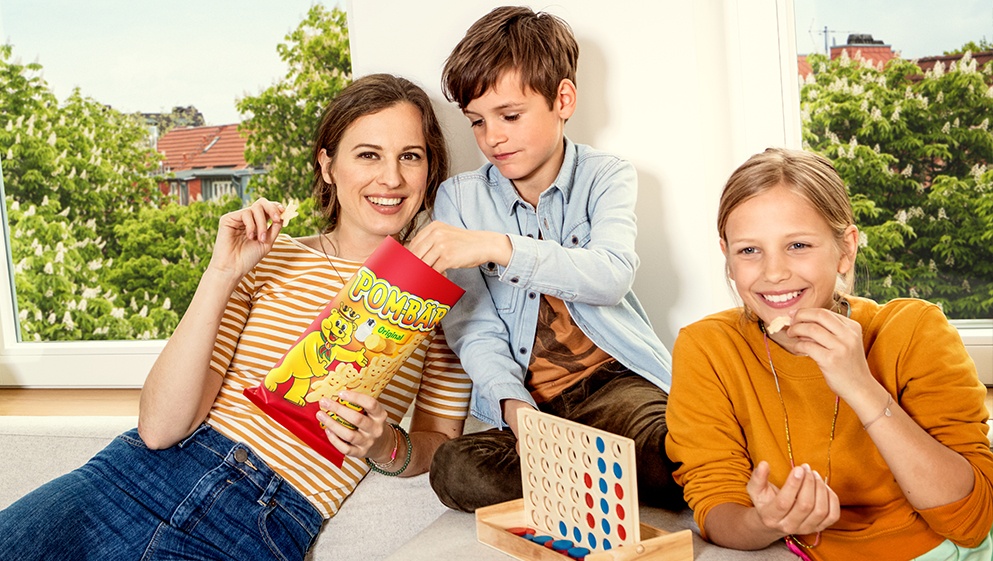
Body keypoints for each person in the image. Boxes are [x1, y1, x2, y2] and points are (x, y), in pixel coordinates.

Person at [0, 73, 471, 561]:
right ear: (328, 165)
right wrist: (222, 272)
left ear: (429, 169)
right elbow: (160, 429)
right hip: (133, 478)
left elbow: (441, 444)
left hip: (262, 524)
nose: (391, 178)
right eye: (368, 154)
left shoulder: (438, 299)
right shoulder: (269, 256)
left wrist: (384, 445)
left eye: (409, 157)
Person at [408, 5, 684, 512]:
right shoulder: (458, 200)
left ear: (563, 99)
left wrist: (498, 246)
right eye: (477, 122)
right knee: (455, 472)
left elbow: (611, 275)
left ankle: (580, 479)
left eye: (510, 116)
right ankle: (599, 477)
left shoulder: (607, 175)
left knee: (680, 452)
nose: (492, 138)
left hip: (616, 387)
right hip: (531, 409)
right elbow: (474, 327)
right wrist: (517, 411)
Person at [665, 147, 993, 560]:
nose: (773, 272)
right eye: (749, 250)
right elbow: (716, 503)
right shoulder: (707, 348)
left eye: (798, 245)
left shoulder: (914, 330)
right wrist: (768, 522)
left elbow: (971, 520)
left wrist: (860, 386)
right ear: (727, 258)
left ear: (846, 249)